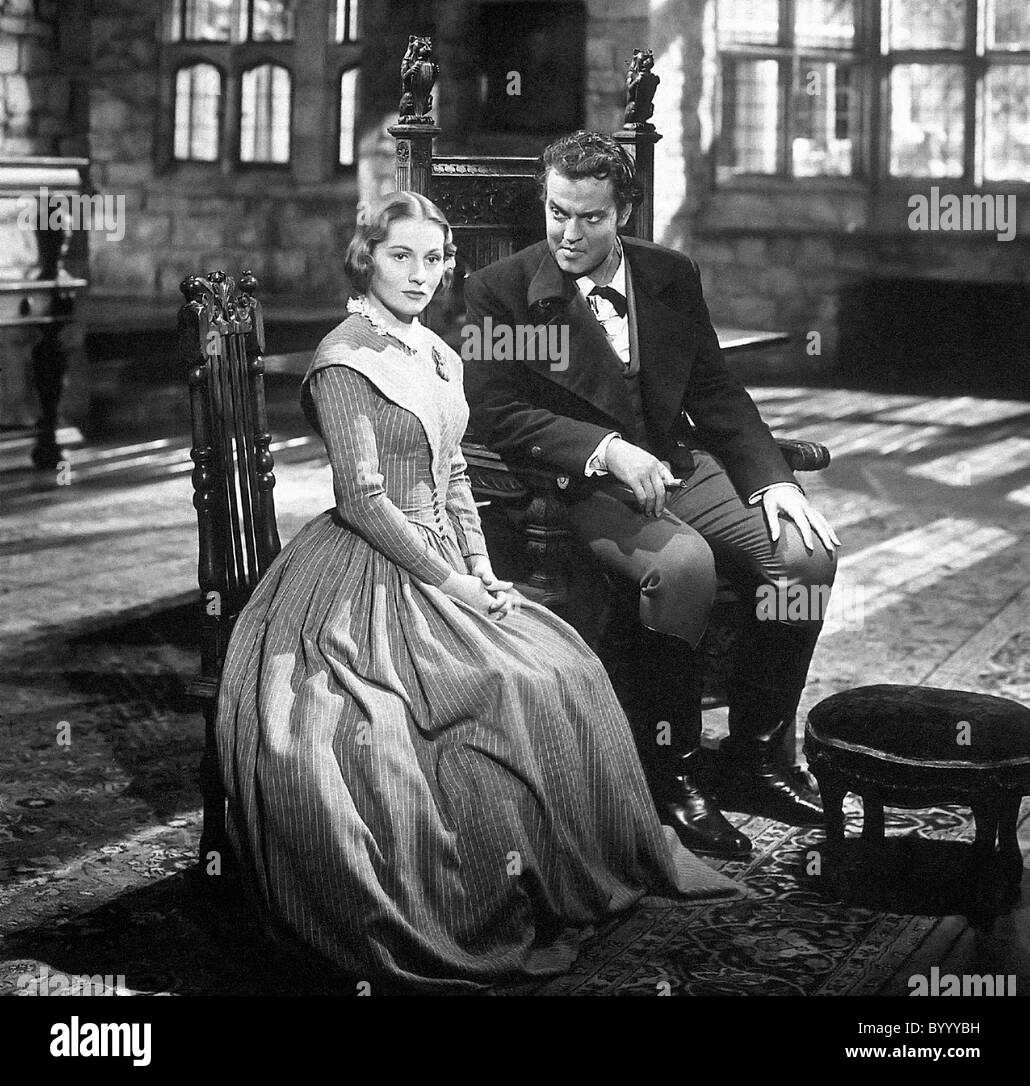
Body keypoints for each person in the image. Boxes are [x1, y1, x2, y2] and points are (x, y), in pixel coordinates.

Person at [216, 190, 739, 995]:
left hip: (448, 561)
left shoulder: (437, 351)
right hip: (363, 575)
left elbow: (454, 473)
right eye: (401, 256)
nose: (420, 274)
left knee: (561, 667)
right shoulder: (343, 362)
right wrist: (453, 581)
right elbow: (364, 502)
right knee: (429, 712)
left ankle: (571, 868)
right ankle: (468, 896)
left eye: (433, 259)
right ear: (366, 259)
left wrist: (483, 570)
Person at [463, 133, 841, 860]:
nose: (570, 235)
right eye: (557, 213)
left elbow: (716, 393)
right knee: (688, 567)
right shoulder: (501, 291)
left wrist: (772, 480)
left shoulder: (670, 274)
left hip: (677, 466)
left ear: (625, 212)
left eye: (591, 218)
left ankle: (757, 759)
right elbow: (493, 412)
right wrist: (603, 449)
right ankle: (673, 770)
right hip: (581, 484)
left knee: (806, 558)